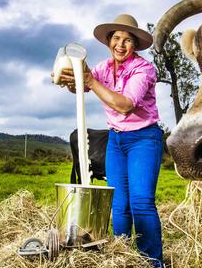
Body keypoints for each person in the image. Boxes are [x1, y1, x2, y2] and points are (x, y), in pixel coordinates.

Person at [58, 14, 164, 267]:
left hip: (144, 138)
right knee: (118, 203)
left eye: (128, 40)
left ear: (136, 45)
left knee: (141, 202)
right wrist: (71, 79)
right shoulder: (103, 68)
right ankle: (123, 256)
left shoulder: (144, 69)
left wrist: (90, 81)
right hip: (116, 140)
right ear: (108, 41)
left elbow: (125, 105)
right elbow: (82, 86)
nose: (121, 44)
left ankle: (152, 262)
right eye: (116, 38)